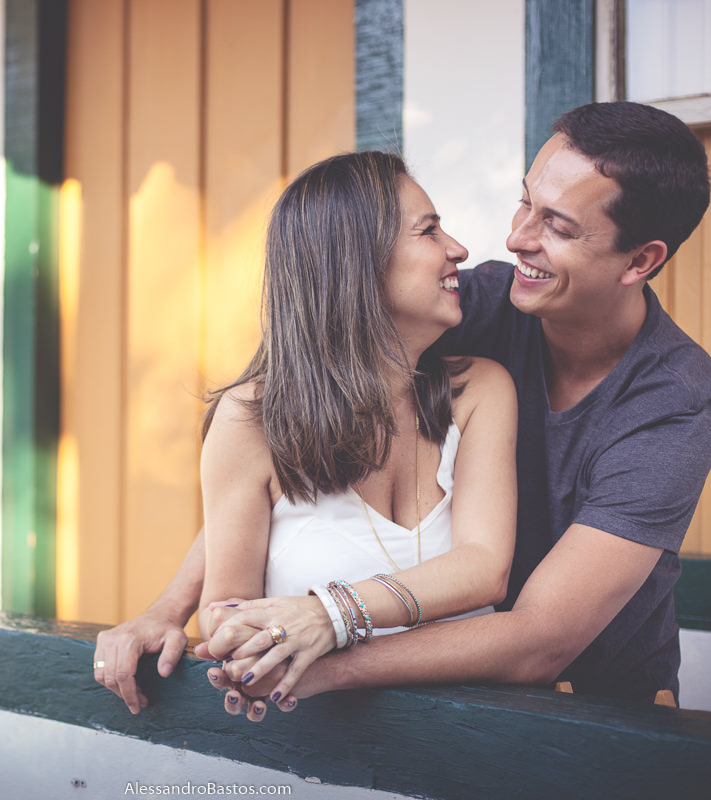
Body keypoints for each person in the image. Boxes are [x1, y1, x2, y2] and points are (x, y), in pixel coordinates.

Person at [94, 101, 711, 717]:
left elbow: (540, 639)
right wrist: (170, 607)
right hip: (434, 695)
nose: (514, 238)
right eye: (525, 202)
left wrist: (322, 646)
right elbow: (287, 431)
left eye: (557, 227)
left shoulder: (675, 399)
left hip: (596, 710)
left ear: (641, 260)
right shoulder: (475, 304)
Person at [192, 152, 518, 721]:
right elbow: (222, 611)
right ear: (357, 263)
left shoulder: (481, 391)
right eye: (429, 230)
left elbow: (485, 566)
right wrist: (233, 631)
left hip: (478, 748)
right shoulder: (249, 419)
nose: (458, 250)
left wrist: (330, 615)